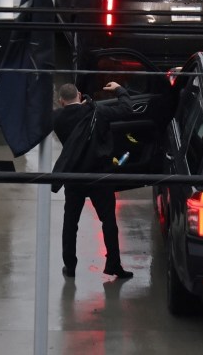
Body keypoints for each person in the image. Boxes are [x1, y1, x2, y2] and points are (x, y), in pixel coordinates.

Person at [52, 81, 134, 280]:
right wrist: (119, 89)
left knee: (71, 222)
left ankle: (70, 265)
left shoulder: (56, 119)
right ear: (79, 95)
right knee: (108, 221)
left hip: (74, 177)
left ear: (61, 101)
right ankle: (114, 264)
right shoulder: (99, 112)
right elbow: (127, 109)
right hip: (100, 176)